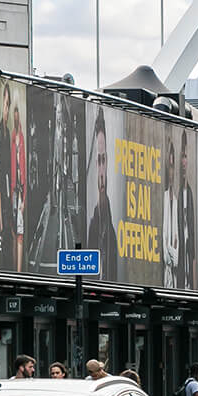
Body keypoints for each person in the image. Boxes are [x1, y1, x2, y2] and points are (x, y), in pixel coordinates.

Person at [86, 113, 120, 281]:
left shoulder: (112, 233)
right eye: (98, 161)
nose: (101, 172)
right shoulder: (89, 226)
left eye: (104, 160)